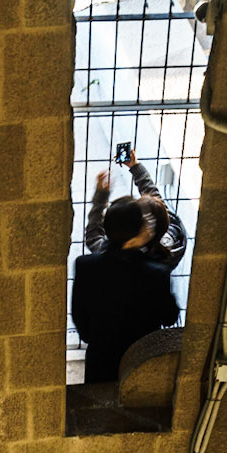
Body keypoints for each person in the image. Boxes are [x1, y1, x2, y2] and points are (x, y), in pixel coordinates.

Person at [71, 197, 179, 384]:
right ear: (138, 233)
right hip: (141, 360)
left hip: (100, 359)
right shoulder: (157, 274)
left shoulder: (85, 266)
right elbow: (169, 317)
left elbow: (81, 320)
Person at [84, 148, 187, 274]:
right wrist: (135, 167)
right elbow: (156, 205)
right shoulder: (171, 246)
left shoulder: (106, 255)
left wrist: (100, 198)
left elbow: (93, 235)